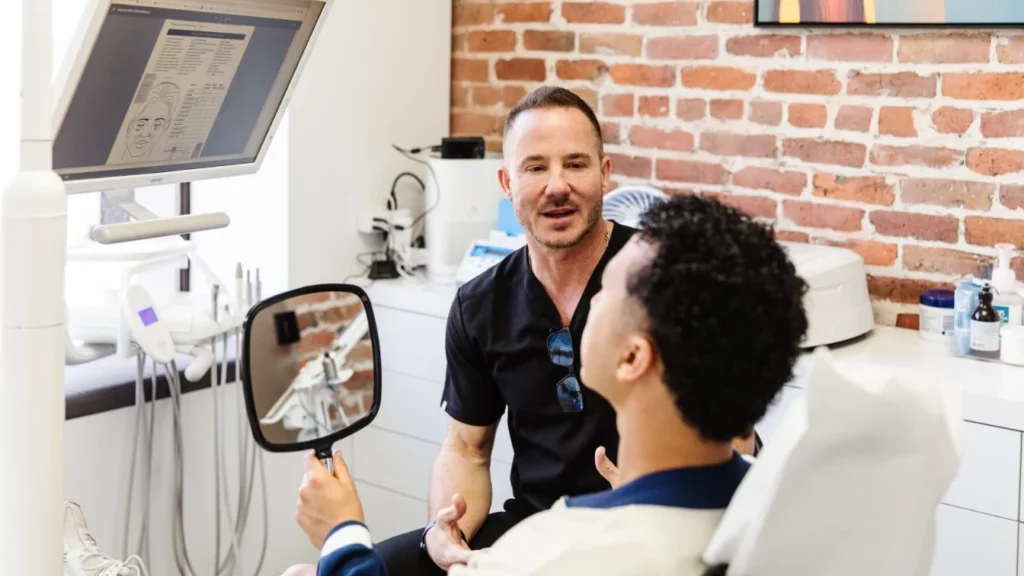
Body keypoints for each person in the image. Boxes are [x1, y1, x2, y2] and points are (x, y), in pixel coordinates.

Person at [294, 193, 810, 575]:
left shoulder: (552, 555)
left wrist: (340, 535)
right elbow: (466, 449)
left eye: (605, 290)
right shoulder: (777, 511)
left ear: (632, 357)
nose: (589, 300)